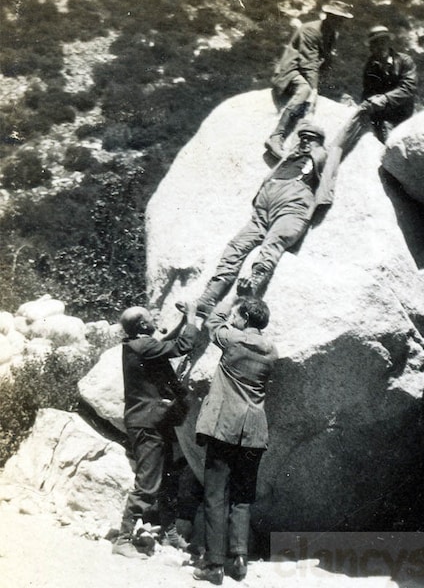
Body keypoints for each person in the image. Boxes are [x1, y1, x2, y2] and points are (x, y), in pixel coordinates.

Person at [179, 123, 329, 319]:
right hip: (262, 211)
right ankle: (207, 301)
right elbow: (272, 144)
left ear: (319, 143)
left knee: (271, 247)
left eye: (311, 138)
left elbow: (337, 145)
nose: (305, 141)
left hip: (291, 209)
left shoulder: (320, 157)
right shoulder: (289, 156)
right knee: (236, 246)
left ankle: (245, 303)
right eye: (302, 137)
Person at [192, 296, 278, 585]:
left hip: (225, 428)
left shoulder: (234, 340)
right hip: (254, 432)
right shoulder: (271, 351)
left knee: (215, 494)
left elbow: (213, 322)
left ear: (243, 318)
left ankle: (214, 564)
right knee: (242, 497)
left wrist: (230, 301)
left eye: (238, 315)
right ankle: (239, 559)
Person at [112, 301, 201, 559]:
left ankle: (170, 533)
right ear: (142, 324)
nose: (155, 319)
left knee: (169, 478)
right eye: (151, 317)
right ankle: (123, 539)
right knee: (148, 484)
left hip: (154, 422)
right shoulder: (143, 346)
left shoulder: (137, 344)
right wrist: (193, 318)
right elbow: (181, 346)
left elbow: (163, 343)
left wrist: (184, 323)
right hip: (147, 424)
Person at [319, 25, 417, 195]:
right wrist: (364, 105)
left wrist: (384, 99)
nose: (379, 48)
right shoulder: (371, 66)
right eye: (374, 44)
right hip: (382, 117)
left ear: (388, 42)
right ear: (370, 47)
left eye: (382, 42)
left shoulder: (405, 62)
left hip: (403, 116)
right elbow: (368, 92)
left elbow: (408, 89)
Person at [265, 0, 353, 159]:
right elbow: (308, 63)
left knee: (339, 95)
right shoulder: (311, 30)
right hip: (291, 72)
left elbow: (325, 63)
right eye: (337, 17)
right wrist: (314, 88)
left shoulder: (332, 34)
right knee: (305, 90)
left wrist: (331, 88)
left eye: (342, 19)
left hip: (308, 73)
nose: (340, 22)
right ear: (328, 16)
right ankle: (276, 136)